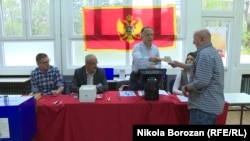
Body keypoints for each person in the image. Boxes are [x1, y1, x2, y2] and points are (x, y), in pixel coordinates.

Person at [169, 28, 225, 125]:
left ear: (201, 40)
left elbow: (201, 82)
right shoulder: (212, 52)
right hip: (209, 106)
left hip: (202, 107)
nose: (193, 42)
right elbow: (194, 67)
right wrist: (179, 64)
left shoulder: (204, 54)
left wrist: (186, 87)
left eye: (194, 39)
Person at [128, 26, 162, 90]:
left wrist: (155, 67)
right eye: (147, 35)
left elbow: (159, 64)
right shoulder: (137, 47)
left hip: (151, 77)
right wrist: (149, 59)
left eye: (152, 34)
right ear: (142, 36)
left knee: (151, 97)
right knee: (135, 98)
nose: (150, 36)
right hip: (137, 77)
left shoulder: (156, 49)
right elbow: (138, 60)